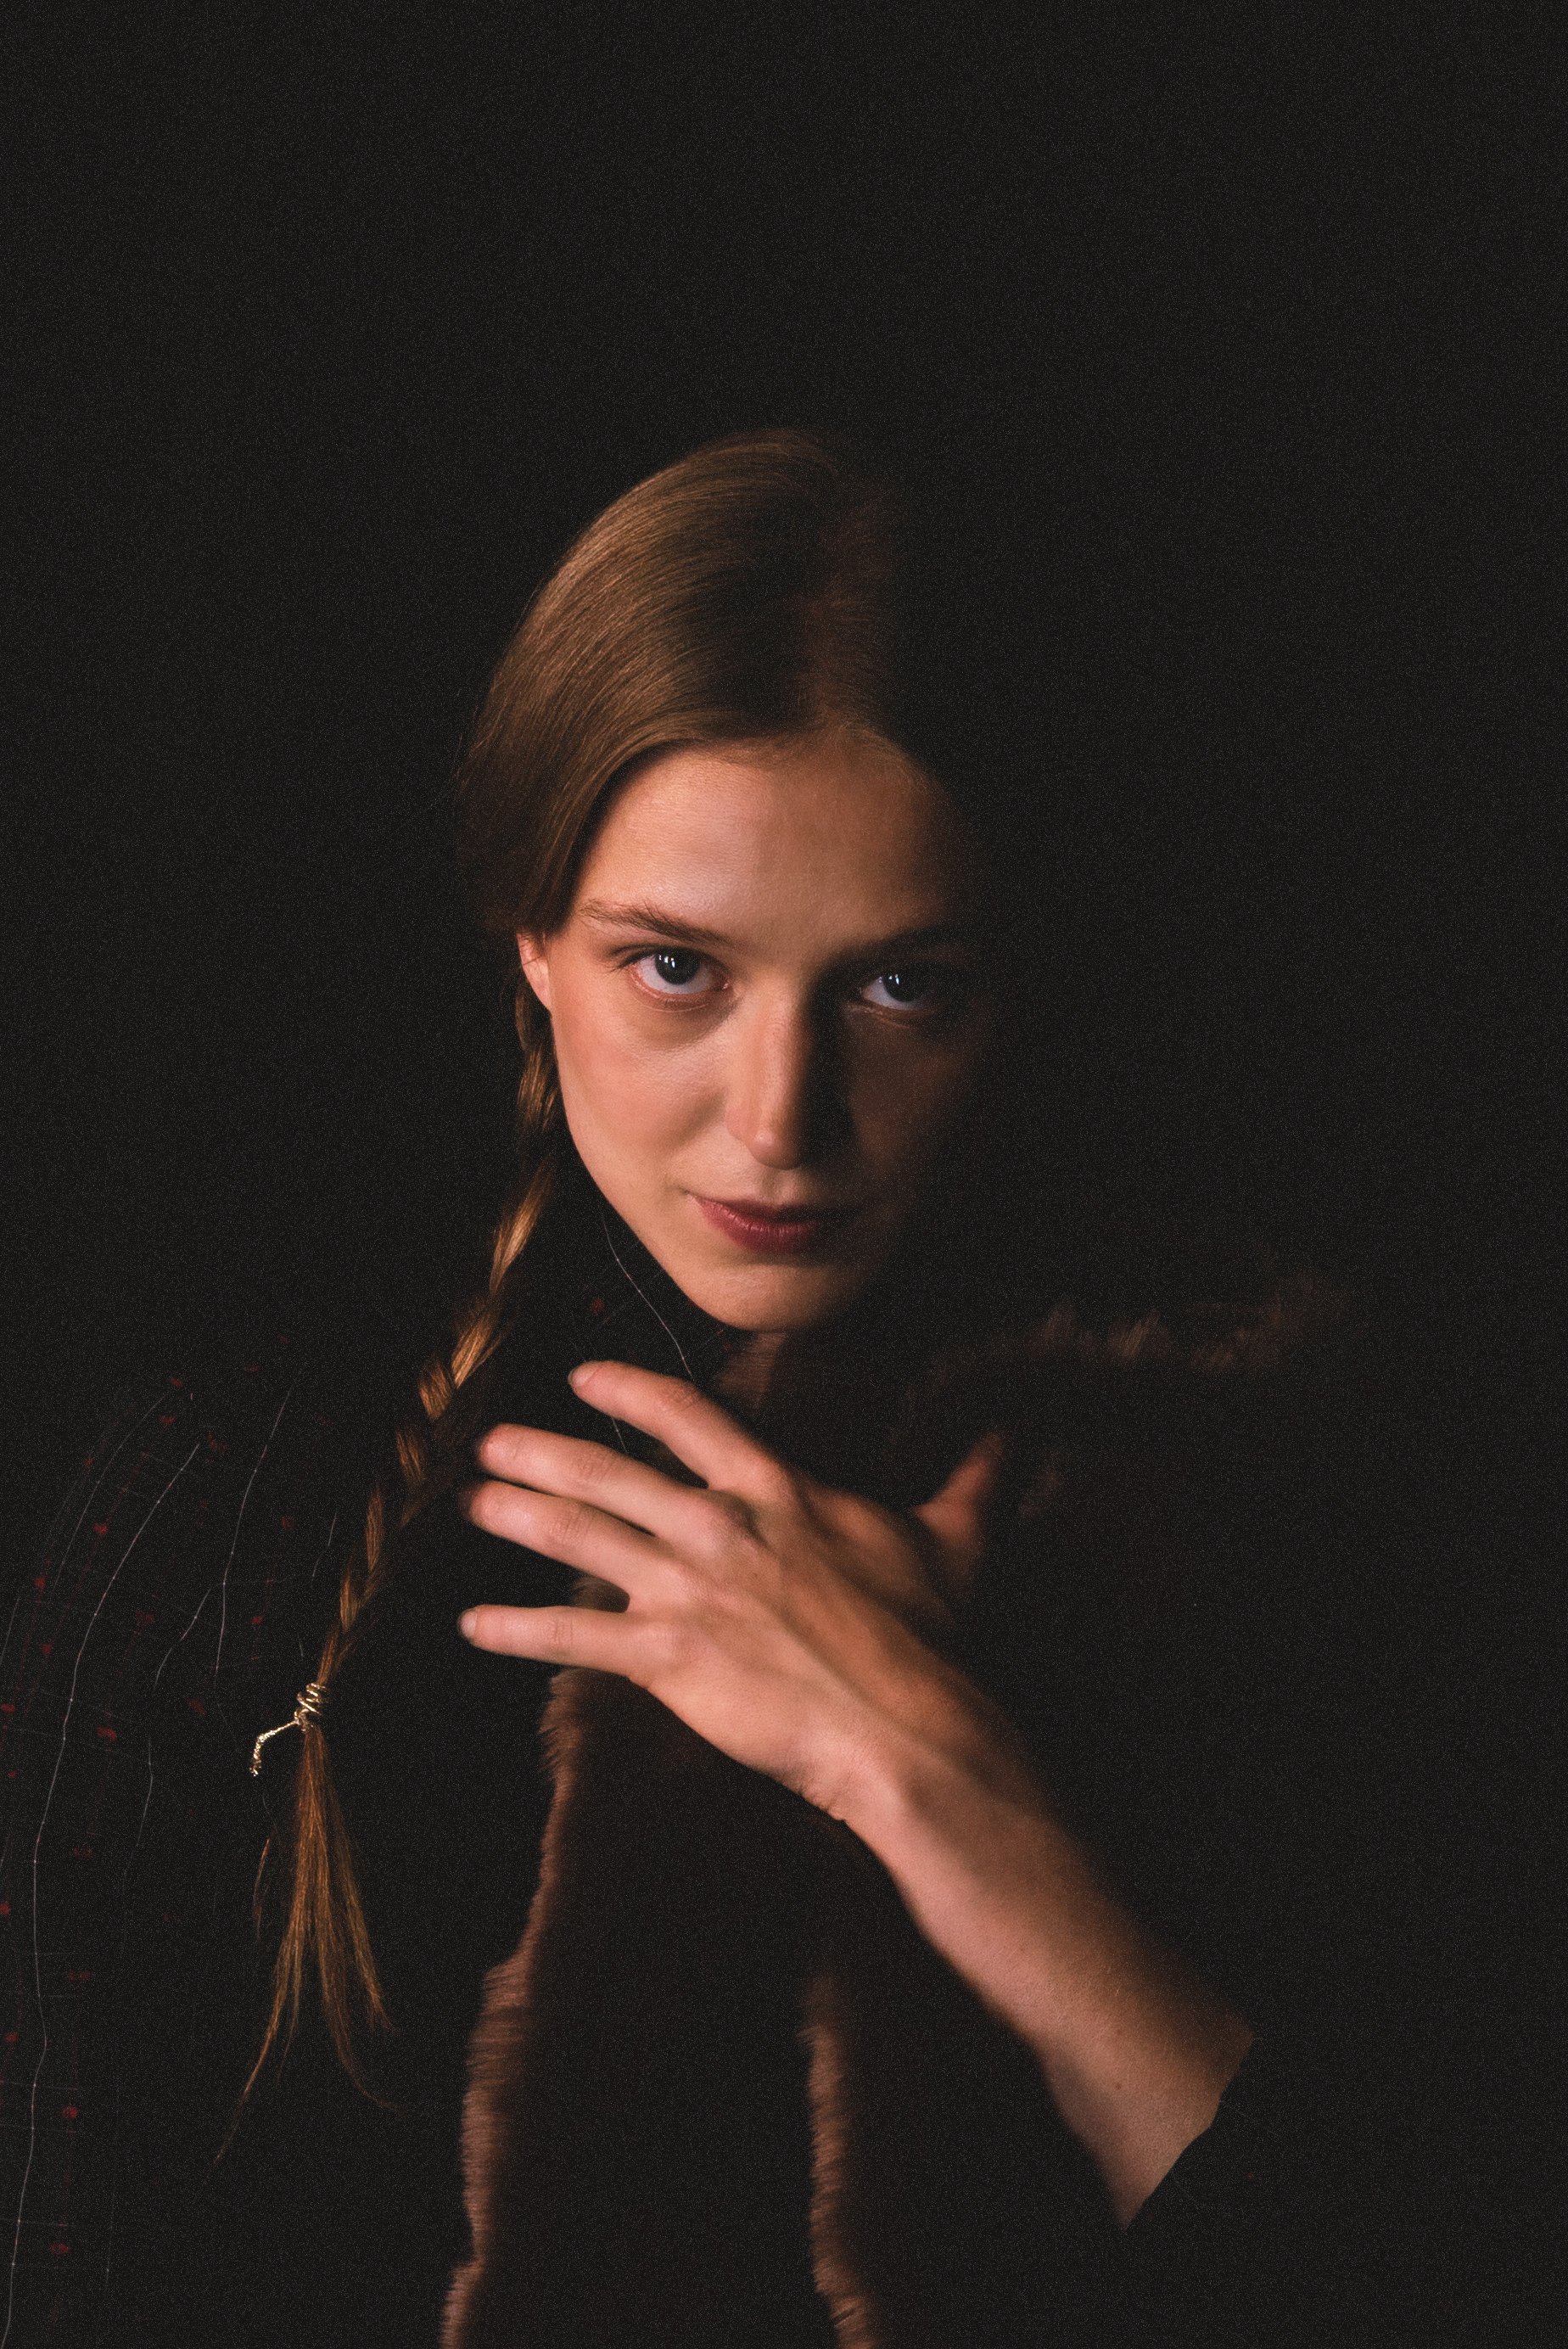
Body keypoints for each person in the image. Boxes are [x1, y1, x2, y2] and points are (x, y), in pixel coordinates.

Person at [1, 433, 1515, 2346]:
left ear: (1011, 987)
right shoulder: (235, 1492)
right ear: (532, 939)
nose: (783, 1120)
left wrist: (924, 1761)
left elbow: (1408, 2272)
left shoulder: (1244, 1485)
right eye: (677, 970)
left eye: (901, 988)